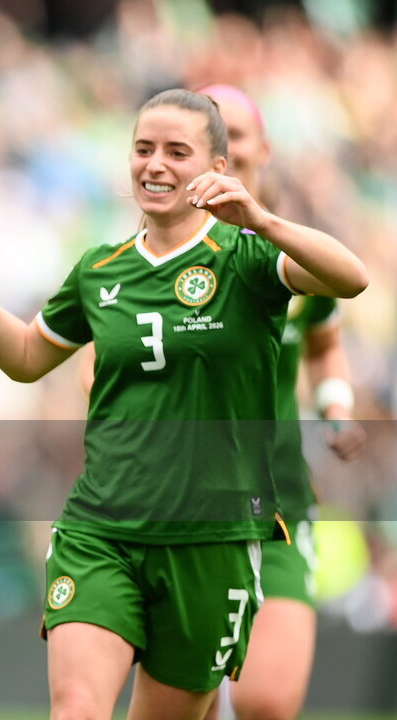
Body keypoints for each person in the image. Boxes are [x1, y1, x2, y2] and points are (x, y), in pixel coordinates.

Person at [0, 88, 368, 720]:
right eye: (143, 149)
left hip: (214, 540)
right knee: (76, 710)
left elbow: (352, 278)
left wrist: (262, 221)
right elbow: (24, 358)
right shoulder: (101, 269)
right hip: (102, 528)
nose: (154, 164)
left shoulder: (248, 258)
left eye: (176, 152)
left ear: (217, 169)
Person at [193, 83, 366, 720]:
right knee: (195, 702)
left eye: (233, 133)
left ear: (262, 147)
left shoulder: (292, 257)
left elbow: (324, 338)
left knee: (266, 702)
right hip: (181, 512)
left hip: (279, 507)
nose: (224, 147)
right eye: (207, 134)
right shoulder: (152, 259)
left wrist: (335, 404)